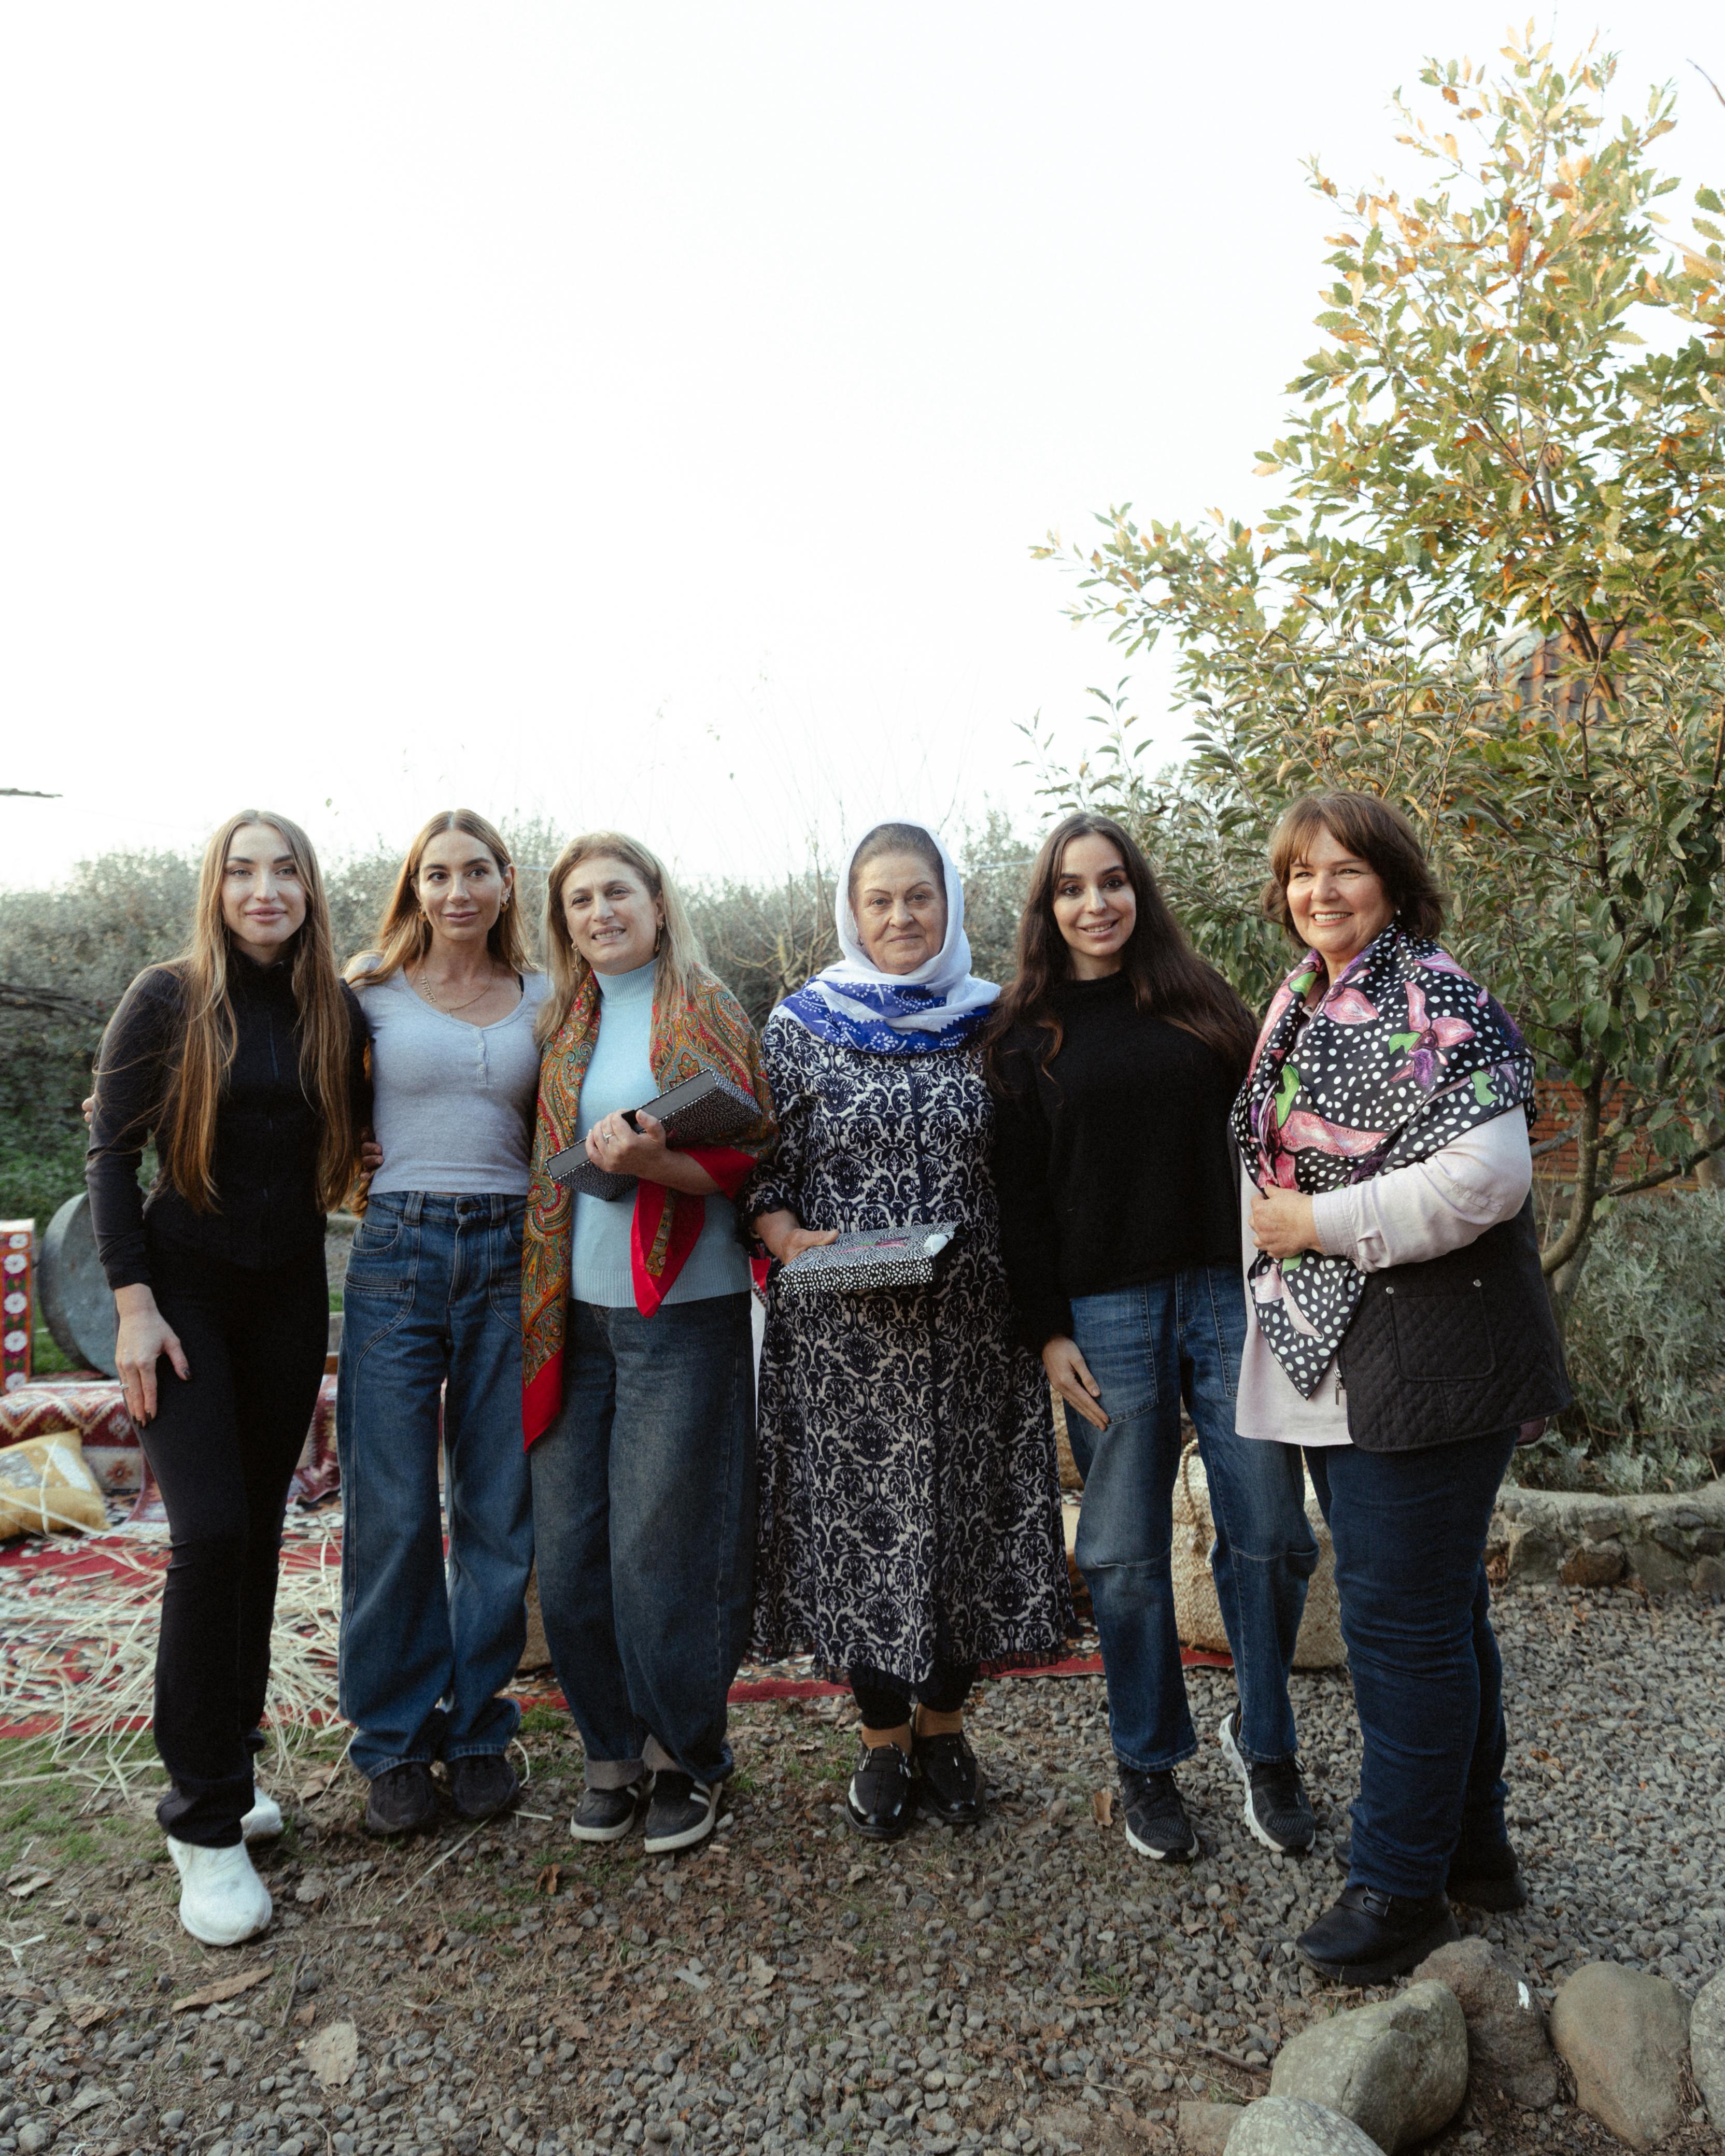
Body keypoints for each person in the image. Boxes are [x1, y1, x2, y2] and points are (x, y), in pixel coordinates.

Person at [1236, 789, 1569, 1984]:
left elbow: (1487, 1179)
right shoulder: (1304, 999)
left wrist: (1315, 1223)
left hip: (1427, 1357)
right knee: (1439, 1614)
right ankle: (1470, 1850)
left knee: (1398, 1630)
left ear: (1391, 879)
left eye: (1343, 869)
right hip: (1353, 1354)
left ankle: (1398, 1887)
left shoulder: (1435, 1000)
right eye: (1299, 873)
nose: (1317, 891)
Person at [986, 812, 1319, 1864]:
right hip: (1106, 1316)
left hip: (1225, 1296)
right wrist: (1045, 1330)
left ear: (1139, 891)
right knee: (1122, 1554)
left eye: (1113, 881)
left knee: (1272, 1534)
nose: (1096, 903)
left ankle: (1264, 1740)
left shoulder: (1201, 1001)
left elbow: (1269, 1140)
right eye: (1071, 887)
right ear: (1046, 908)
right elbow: (1017, 1202)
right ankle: (1147, 1757)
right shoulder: (1023, 1036)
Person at [744, 821, 1072, 1842]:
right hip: (843, 1337)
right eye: (879, 900)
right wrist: (783, 1234)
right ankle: (882, 1737)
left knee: (967, 1522)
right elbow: (763, 1169)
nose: (900, 917)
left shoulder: (1001, 1022)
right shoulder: (799, 1024)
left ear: (950, 903)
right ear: (852, 912)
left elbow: (1036, 1170)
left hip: (975, 1332)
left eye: (918, 896)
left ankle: (945, 1728)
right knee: (859, 1532)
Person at [86, 812, 367, 1946]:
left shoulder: (333, 1007)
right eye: (243, 871)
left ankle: (230, 1766)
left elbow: (353, 1137)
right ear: (216, 887)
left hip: (289, 1296)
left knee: (255, 1534)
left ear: (309, 889)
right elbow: (110, 1153)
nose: (265, 890)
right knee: (206, 1535)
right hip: (184, 1296)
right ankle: (200, 1826)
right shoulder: (167, 996)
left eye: (285, 870)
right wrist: (134, 1305)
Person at [520, 832, 775, 1856]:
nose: (600, 912)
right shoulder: (562, 1021)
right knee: (572, 1550)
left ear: (658, 903)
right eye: (580, 900)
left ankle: (687, 1756)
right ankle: (610, 1753)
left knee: (661, 1552)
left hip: (681, 1312)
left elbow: (750, 1162)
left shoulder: (706, 1008)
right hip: (571, 1315)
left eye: (617, 892)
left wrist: (650, 1159)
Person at [337, 811, 548, 1836]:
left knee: (498, 1507)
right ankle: (391, 1739)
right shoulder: (366, 988)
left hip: (510, 1250)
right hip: (397, 1251)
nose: (457, 891)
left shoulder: (546, 994)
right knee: (392, 1505)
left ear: (506, 882)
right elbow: (308, 1097)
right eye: (437, 874)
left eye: (475, 872)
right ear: (414, 887)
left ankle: (476, 1729)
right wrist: (345, 1151)